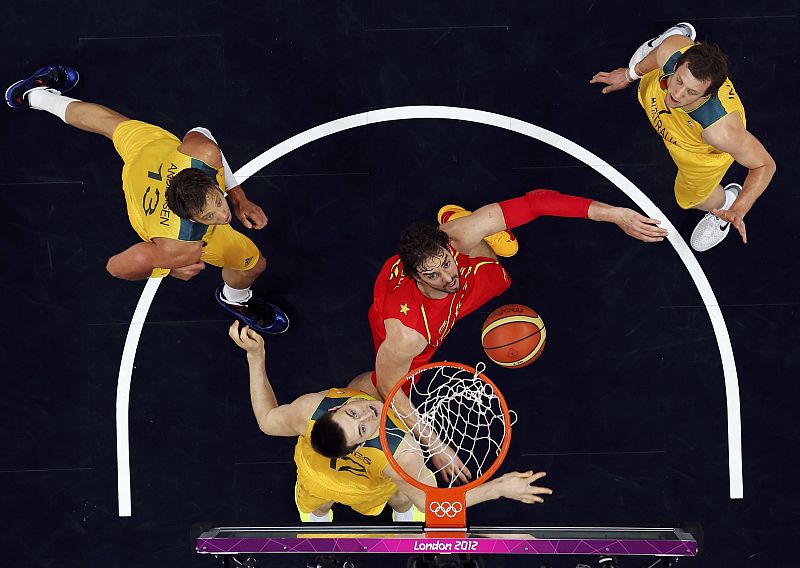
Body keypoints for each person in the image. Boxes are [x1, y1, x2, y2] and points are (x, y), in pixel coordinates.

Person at [350, 189, 667, 481]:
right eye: (432, 274)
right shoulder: (407, 336)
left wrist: (615, 215)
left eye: (446, 263)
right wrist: (435, 445)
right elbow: (388, 384)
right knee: (385, 392)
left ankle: (457, 215)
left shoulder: (456, 237)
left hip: (445, 297)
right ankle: (339, 407)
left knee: (500, 278)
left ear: (446, 245)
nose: (448, 277)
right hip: (414, 325)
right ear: (415, 276)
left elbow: (536, 202)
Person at [5, 65, 288, 333]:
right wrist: (169, 268)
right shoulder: (181, 247)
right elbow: (116, 268)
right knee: (255, 264)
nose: (224, 216)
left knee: (109, 123)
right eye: (209, 217)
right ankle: (235, 298)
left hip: (147, 157)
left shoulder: (203, 153)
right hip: (147, 216)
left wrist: (238, 197)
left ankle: (34, 95)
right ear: (192, 219)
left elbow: (202, 132)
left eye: (218, 201)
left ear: (208, 181)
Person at [228, 321, 553, 522]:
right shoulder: (401, 453)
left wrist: (255, 357)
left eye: (353, 413)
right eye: (362, 428)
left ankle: (319, 520)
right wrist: (498, 488)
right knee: (400, 495)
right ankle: (390, 516)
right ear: (360, 445)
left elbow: (267, 420)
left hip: (313, 476)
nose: (368, 414)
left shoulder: (310, 408)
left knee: (317, 507)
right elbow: (433, 506)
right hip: (352, 486)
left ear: (332, 410)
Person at [590, 23, 776, 252]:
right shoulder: (672, 50)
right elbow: (661, 54)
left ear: (707, 95)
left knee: (692, 199)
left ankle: (726, 201)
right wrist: (629, 75)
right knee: (654, 74)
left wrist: (739, 208)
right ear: (677, 65)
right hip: (663, 106)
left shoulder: (721, 132)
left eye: (691, 92)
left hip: (698, 152)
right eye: (679, 81)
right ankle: (679, 35)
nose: (677, 94)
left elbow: (764, 165)